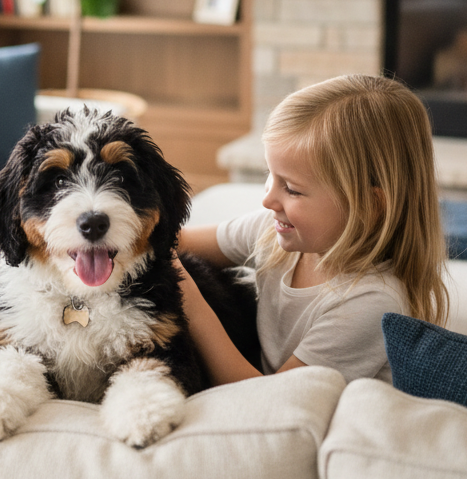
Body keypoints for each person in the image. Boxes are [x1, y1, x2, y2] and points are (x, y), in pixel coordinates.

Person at [177, 74, 449, 385]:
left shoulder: (371, 303)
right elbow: (176, 241)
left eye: (291, 188)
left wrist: (192, 305)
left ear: (368, 206)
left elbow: (272, 399)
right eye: (270, 175)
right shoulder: (272, 232)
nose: (268, 199)